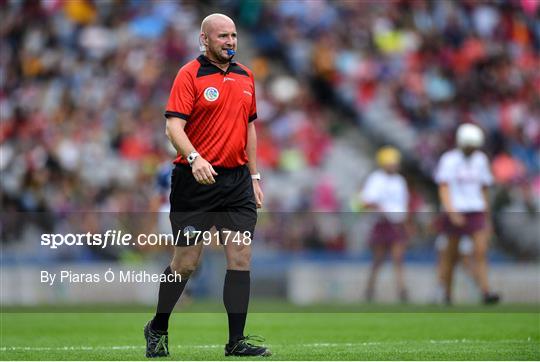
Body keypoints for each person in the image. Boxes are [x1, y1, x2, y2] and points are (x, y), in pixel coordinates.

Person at [143, 13, 270, 358]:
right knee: (185, 263)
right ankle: (158, 327)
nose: (230, 42)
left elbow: (249, 128)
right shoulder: (189, 74)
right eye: (222, 36)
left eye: (233, 36)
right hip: (194, 181)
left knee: (240, 258)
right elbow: (173, 127)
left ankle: (236, 341)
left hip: (237, 181)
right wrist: (195, 158)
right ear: (204, 39)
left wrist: (255, 176)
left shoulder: (246, 76)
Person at [435, 123, 500, 305]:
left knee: (481, 252)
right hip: (455, 210)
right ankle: (446, 293)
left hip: (475, 210)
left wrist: (487, 217)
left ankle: (486, 291)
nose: (471, 150)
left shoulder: (480, 160)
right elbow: (444, 187)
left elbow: (484, 189)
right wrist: (451, 211)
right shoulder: (449, 160)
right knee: (451, 255)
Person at [361, 146, 410, 302]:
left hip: (396, 222)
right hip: (382, 222)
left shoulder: (399, 181)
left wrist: (404, 221)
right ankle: (370, 288)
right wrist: (382, 211)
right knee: (378, 259)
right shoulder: (376, 179)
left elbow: (403, 204)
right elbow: (368, 201)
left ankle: (402, 290)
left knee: (398, 257)